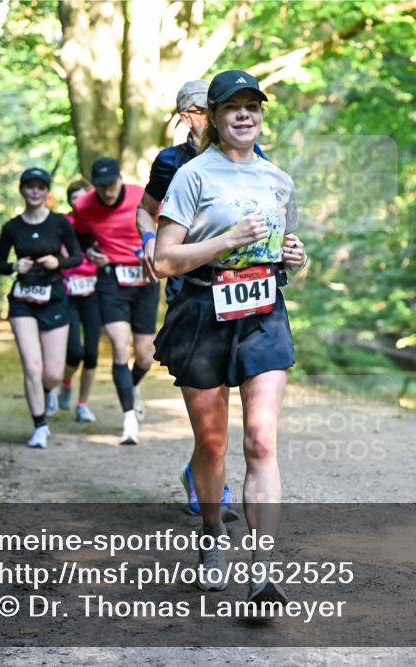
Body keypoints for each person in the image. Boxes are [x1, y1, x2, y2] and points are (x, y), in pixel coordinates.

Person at [153, 70, 309, 607]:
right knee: (213, 444)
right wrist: (225, 240)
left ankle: (262, 572)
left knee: (261, 441)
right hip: (202, 310)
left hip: (263, 311)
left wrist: (295, 257)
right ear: (215, 117)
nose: (245, 115)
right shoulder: (192, 175)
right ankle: (211, 532)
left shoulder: (277, 179)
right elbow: (163, 260)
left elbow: (283, 246)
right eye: (233, 107)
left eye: (253, 107)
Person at [139, 79, 258, 519]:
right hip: (189, 284)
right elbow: (145, 209)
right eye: (201, 109)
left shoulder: (251, 156)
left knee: (232, 398)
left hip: (239, 287)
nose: (209, 116)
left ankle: (201, 471)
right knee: (208, 397)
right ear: (185, 115)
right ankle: (210, 476)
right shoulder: (172, 162)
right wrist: (149, 241)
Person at [72, 157, 158, 445]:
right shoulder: (84, 205)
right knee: (120, 348)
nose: (107, 192)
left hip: (145, 278)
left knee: (145, 355)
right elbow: (81, 236)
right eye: (101, 187)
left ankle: (131, 387)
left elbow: (167, 225)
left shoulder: (141, 196)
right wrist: (91, 253)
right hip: (111, 279)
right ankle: (129, 420)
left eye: (111, 185)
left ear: (121, 180)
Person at [0, 167, 82, 448]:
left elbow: (77, 258)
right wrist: (13, 266)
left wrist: (59, 262)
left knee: (52, 374)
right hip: (23, 301)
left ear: (47, 191)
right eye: (30, 186)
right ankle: (40, 426)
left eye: (40, 187)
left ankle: (47, 390)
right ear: (22, 190)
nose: (35, 191)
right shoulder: (12, 227)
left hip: (54, 298)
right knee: (32, 366)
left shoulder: (60, 223)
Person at [56, 179, 100, 423]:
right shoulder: (63, 223)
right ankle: (65, 382)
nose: (79, 202)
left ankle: (83, 404)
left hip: (93, 294)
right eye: (74, 198)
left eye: (83, 197)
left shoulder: (99, 222)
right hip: (68, 294)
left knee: (91, 354)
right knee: (74, 353)